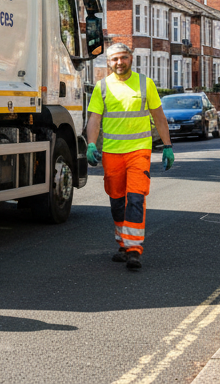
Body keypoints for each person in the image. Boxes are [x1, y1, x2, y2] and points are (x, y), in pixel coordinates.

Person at [84, 42, 173, 271]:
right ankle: (123, 243)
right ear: (108, 63)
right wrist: (91, 145)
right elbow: (94, 118)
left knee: (135, 197)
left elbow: (159, 117)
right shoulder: (101, 87)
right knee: (116, 201)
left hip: (138, 152)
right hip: (112, 153)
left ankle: (134, 249)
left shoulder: (145, 84)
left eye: (123, 57)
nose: (119, 62)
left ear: (131, 58)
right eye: (114, 59)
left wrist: (167, 146)